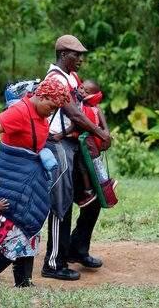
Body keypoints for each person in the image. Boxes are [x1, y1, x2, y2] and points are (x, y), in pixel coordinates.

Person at [0, 76, 71, 287]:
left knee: (29, 229)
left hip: (28, 183)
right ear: (42, 95)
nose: (52, 112)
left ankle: (23, 281)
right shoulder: (20, 112)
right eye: (52, 107)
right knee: (16, 232)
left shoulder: (40, 113)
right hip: (13, 183)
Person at [42, 35, 112, 281]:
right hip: (58, 143)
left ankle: (77, 249)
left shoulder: (72, 77)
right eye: (76, 55)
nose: (81, 59)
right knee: (61, 204)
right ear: (64, 55)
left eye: (82, 54)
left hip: (76, 143)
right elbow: (76, 115)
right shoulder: (56, 79)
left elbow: (93, 102)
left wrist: (105, 129)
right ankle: (54, 262)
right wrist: (100, 133)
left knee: (94, 197)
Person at [52, 79, 113, 206]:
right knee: (96, 162)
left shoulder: (83, 106)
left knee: (83, 165)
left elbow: (74, 126)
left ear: (92, 95)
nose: (82, 91)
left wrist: (60, 135)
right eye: (81, 88)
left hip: (87, 140)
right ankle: (105, 182)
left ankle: (88, 191)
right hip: (93, 139)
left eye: (86, 91)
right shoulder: (90, 104)